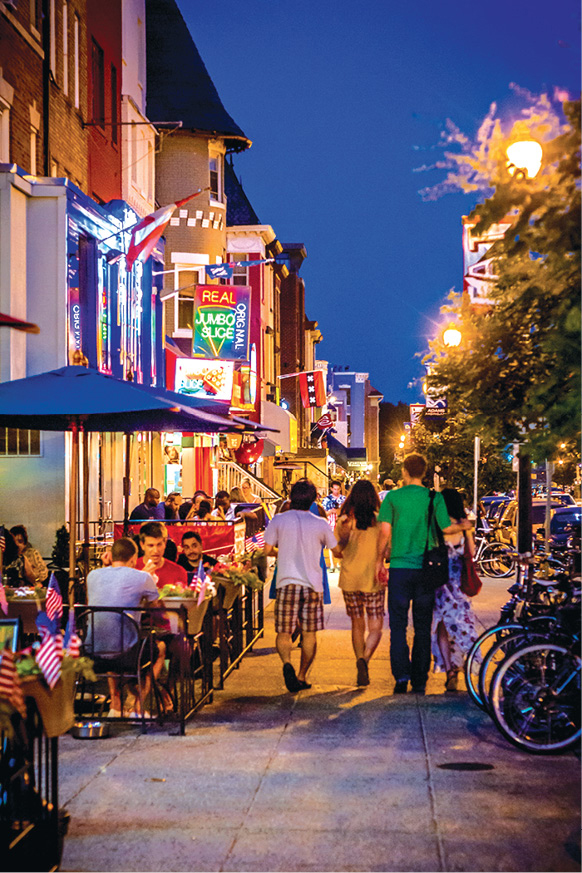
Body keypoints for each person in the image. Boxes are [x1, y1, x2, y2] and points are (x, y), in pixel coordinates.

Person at [375, 453, 471, 695]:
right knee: (421, 626)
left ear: (405, 471)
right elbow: (446, 527)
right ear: (425, 473)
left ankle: (401, 676)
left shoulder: (393, 498)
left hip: (399, 568)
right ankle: (419, 679)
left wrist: (379, 561)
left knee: (397, 625)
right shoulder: (433, 497)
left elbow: (384, 531)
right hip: (426, 570)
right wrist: (465, 526)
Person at [263, 479, 338, 693]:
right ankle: (302, 675)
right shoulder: (320, 523)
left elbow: (267, 549)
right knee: (309, 633)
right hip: (312, 584)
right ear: (314, 499)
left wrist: (284, 550)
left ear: (291, 497)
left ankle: (287, 663)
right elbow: (336, 550)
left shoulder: (279, 520)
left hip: (286, 581)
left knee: (284, 631)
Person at [86, 536, 163, 717]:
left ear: (111, 556)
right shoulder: (142, 576)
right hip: (126, 653)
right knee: (161, 648)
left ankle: (116, 704)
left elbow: (98, 604)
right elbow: (157, 608)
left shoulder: (92, 575)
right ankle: (139, 705)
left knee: (112, 634)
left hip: (92, 651)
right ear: (133, 559)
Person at [334, 480, 384, 686]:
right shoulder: (380, 521)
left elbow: (337, 552)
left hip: (349, 578)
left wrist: (346, 541)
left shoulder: (344, 521)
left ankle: (359, 659)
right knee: (375, 627)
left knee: (356, 623)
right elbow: (388, 550)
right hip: (373, 579)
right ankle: (365, 659)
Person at [431, 488, 481, 692]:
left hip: (440, 584)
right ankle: (466, 664)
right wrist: (466, 529)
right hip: (458, 585)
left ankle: (450, 668)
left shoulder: (439, 525)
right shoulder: (464, 526)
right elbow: (472, 552)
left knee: (442, 627)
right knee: (462, 625)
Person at [135, 521, 188, 588]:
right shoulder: (131, 569)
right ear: (142, 545)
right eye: (151, 545)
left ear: (165, 543)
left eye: (159, 544)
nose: (155, 550)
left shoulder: (179, 572)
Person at [322, 480, 345, 571]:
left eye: (338, 489)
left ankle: (339, 563)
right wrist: (331, 511)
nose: (336, 491)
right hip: (330, 522)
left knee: (340, 543)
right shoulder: (326, 500)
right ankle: (332, 564)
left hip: (341, 522)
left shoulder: (343, 499)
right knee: (330, 543)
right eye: (334, 489)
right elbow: (323, 513)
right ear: (331, 489)